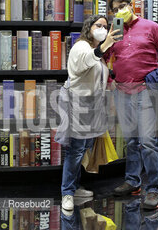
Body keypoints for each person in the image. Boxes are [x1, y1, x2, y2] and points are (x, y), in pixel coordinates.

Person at [103, 0, 158, 210]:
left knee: (147, 141)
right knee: (132, 141)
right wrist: (110, 78)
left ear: (131, 5)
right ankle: (133, 182)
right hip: (122, 91)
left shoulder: (151, 27)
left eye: (123, 6)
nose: (120, 11)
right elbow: (105, 58)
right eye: (115, 9)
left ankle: (153, 188)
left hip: (146, 90)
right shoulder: (114, 31)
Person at [61, 15, 121, 211]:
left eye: (105, 26)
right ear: (89, 27)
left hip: (92, 107)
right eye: (98, 25)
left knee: (83, 148)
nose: (102, 29)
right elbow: (85, 62)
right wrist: (104, 47)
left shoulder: (97, 51)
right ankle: (67, 193)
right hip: (78, 105)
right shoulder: (81, 47)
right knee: (76, 150)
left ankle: (75, 187)